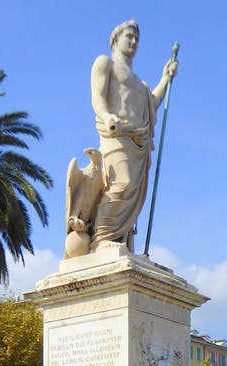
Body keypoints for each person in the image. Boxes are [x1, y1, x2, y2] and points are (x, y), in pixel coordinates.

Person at [90, 20, 178, 251]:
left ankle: (118, 241)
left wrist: (165, 79)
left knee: (133, 195)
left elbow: (152, 104)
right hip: (116, 134)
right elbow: (97, 98)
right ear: (115, 39)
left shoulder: (140, 83)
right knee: (121, 185)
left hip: (138, 142)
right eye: (129, 36)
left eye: (137, 38)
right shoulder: (105, 63)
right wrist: (107, 116)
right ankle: (101, 239)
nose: (134, 41)